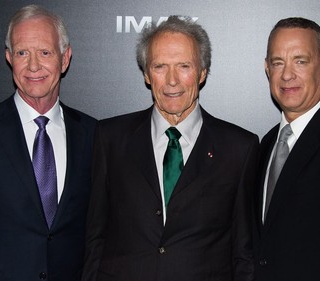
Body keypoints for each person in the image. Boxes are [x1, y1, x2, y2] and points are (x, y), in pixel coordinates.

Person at [82, 16, 258, 281]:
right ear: (146, 74)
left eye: (184, 66)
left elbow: (243, 251)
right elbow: (95, 236)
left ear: (202, 73)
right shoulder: (110, 138)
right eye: (160, 66)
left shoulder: (239, 148)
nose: (172, 80)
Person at [0, 5, 96, 281]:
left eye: (45, 53)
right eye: (23, 53)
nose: (33, 66)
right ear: (9, 58)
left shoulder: (94, 135)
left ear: (65, 58)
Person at [255, 17, 320, 281]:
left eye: (300, 61)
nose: (287, 74)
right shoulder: (265, 144)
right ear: (267, 69)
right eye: (278, 62)